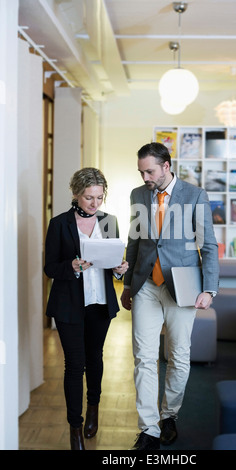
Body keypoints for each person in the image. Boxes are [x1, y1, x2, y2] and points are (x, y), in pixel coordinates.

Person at [121, 143, 219, 450]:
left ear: (166, 166)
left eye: (149, 170)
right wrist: (127, 284)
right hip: (147, 285)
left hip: (184, 286)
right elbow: (134, 240)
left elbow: (209, 246)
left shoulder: (195, 195)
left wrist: (209, 288)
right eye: (141, 171)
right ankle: (149, 428)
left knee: (178, 356)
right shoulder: (138, 195)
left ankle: (169, 415)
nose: (145, 176)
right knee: (144, 358)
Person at [44, 167, 128, 450]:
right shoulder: (59, 224)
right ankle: (75, 426)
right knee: (73, 365)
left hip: (100, 303)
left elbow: (114, 261)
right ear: (76, 195)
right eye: (89, 197)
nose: (94, 203)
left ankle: (94, 407)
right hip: (69, 305)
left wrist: (120, 269)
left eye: (99, 197)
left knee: (95, 358)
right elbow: (49, 267)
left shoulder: (110, 222)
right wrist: (71, 266)